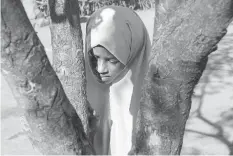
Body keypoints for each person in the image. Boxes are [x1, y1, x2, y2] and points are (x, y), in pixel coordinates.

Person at [85, 6, 151, 155]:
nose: (100, 69)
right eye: (95, 58)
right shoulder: (80, 93)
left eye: (111, 60)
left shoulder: (152, 105)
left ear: (132, 51)